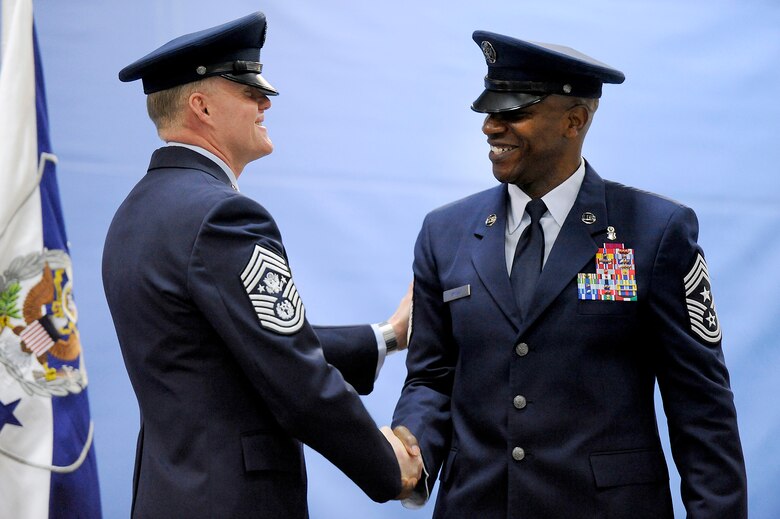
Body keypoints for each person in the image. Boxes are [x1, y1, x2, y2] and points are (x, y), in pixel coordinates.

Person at [391, 31, 747, 518]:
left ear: (574, 120)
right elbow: (431, 379)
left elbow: (702, 409)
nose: (491, 128)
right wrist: (413, 444)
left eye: (513, 112)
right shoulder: (444, 232)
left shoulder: (656, 232)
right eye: (489, 113)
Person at [102, 12, 420, 518]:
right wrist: (388, 465)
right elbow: (293, 374)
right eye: (249, 91)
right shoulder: (223, 215)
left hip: (172, 495)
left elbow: (236, 347)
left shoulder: (135, 212)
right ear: (201, 106)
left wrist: (387, 335)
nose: (265, 103)